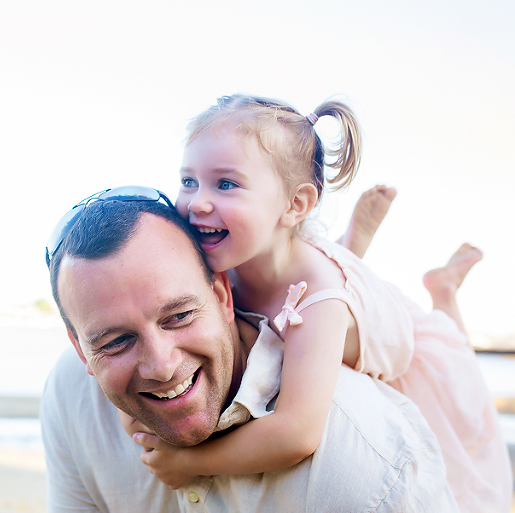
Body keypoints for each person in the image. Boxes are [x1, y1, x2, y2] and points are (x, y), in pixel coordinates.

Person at [128, 94, 511, 512]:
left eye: (226, 184)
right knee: (307, 275)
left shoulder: (320, 301)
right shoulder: (226, 250)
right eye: (189, 181)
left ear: (295, 205)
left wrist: (193, 463)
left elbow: (297, 433)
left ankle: (443, 289)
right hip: (297, 269)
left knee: (463, 406)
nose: (197, 202)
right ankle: (348, 248)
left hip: (405, 339)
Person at [42, 187, 459, 511]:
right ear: (81, 351)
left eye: (179, 316)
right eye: (116, 342)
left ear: (224, 295)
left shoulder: (366, 469)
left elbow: (297, 433)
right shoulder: (70, 394)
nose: (162, 365)